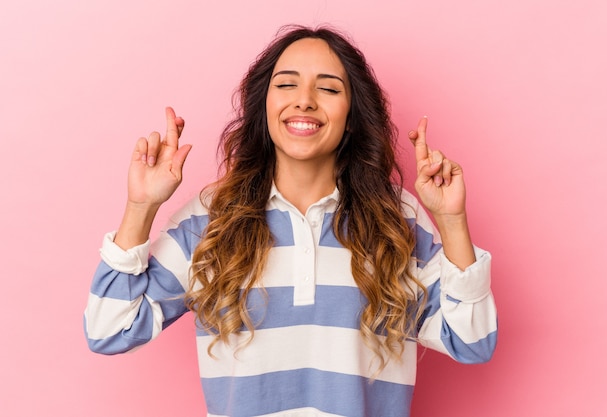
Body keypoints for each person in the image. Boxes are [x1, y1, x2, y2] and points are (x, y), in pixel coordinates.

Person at [84, 25, 497, 417]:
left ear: (352, 115)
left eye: (328, 88)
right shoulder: (210, 217)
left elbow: (471, 341)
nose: (304, 100)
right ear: (264, 106)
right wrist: (141, 208)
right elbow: (110, 330)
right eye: (286, 84)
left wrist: (451, 220)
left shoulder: (396, 218)